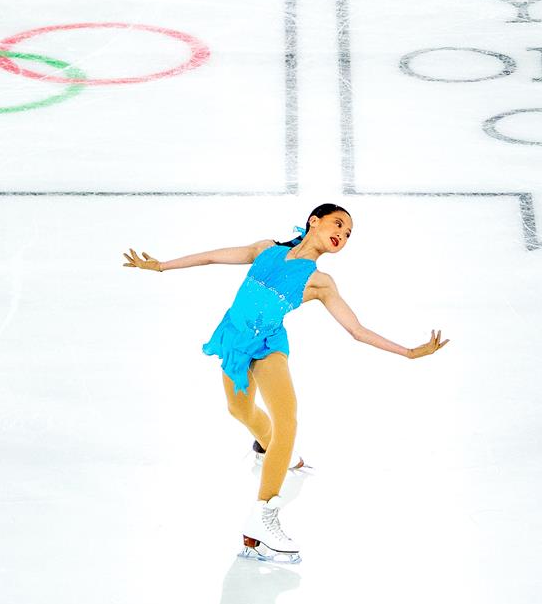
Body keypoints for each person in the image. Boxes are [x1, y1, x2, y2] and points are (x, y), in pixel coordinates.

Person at [123, 203, 447, 562]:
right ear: (314, 221)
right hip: (234, 338)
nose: (343, 234)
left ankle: (263, 515)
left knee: (287, 421)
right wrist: (162, 265)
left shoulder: (320, 282)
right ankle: (273, 450)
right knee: (239, 410)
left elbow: (356, 330)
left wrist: (408, 352)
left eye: (349, 233)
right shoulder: (266, 249)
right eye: (338, 223)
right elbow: (213, 257)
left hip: (269, 345)